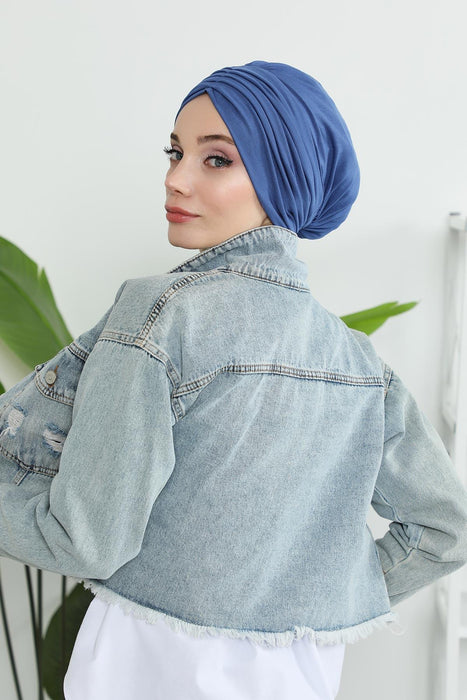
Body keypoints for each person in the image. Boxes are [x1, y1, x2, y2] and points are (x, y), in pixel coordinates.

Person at [1, 61, 467, 700]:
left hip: (147, 664)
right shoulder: (360, 362)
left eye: (216, 159)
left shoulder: (160, 314)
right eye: (175, 152)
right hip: (298, 674)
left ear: (284, 177)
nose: (175, 178)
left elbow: (85, 541)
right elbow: (446, 530)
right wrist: (325, 593)